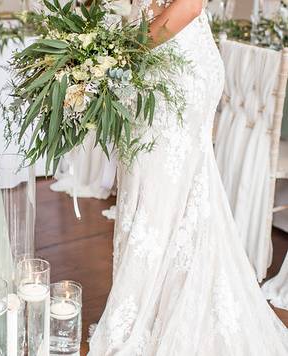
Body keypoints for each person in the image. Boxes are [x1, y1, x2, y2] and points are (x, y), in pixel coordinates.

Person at [88, 0, 288, 354]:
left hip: (174, 61)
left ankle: (145, 311)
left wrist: (112, 54)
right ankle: (149, 307)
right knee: (155, 186)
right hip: (155, 58)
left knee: (157, 185)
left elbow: (190, 6)